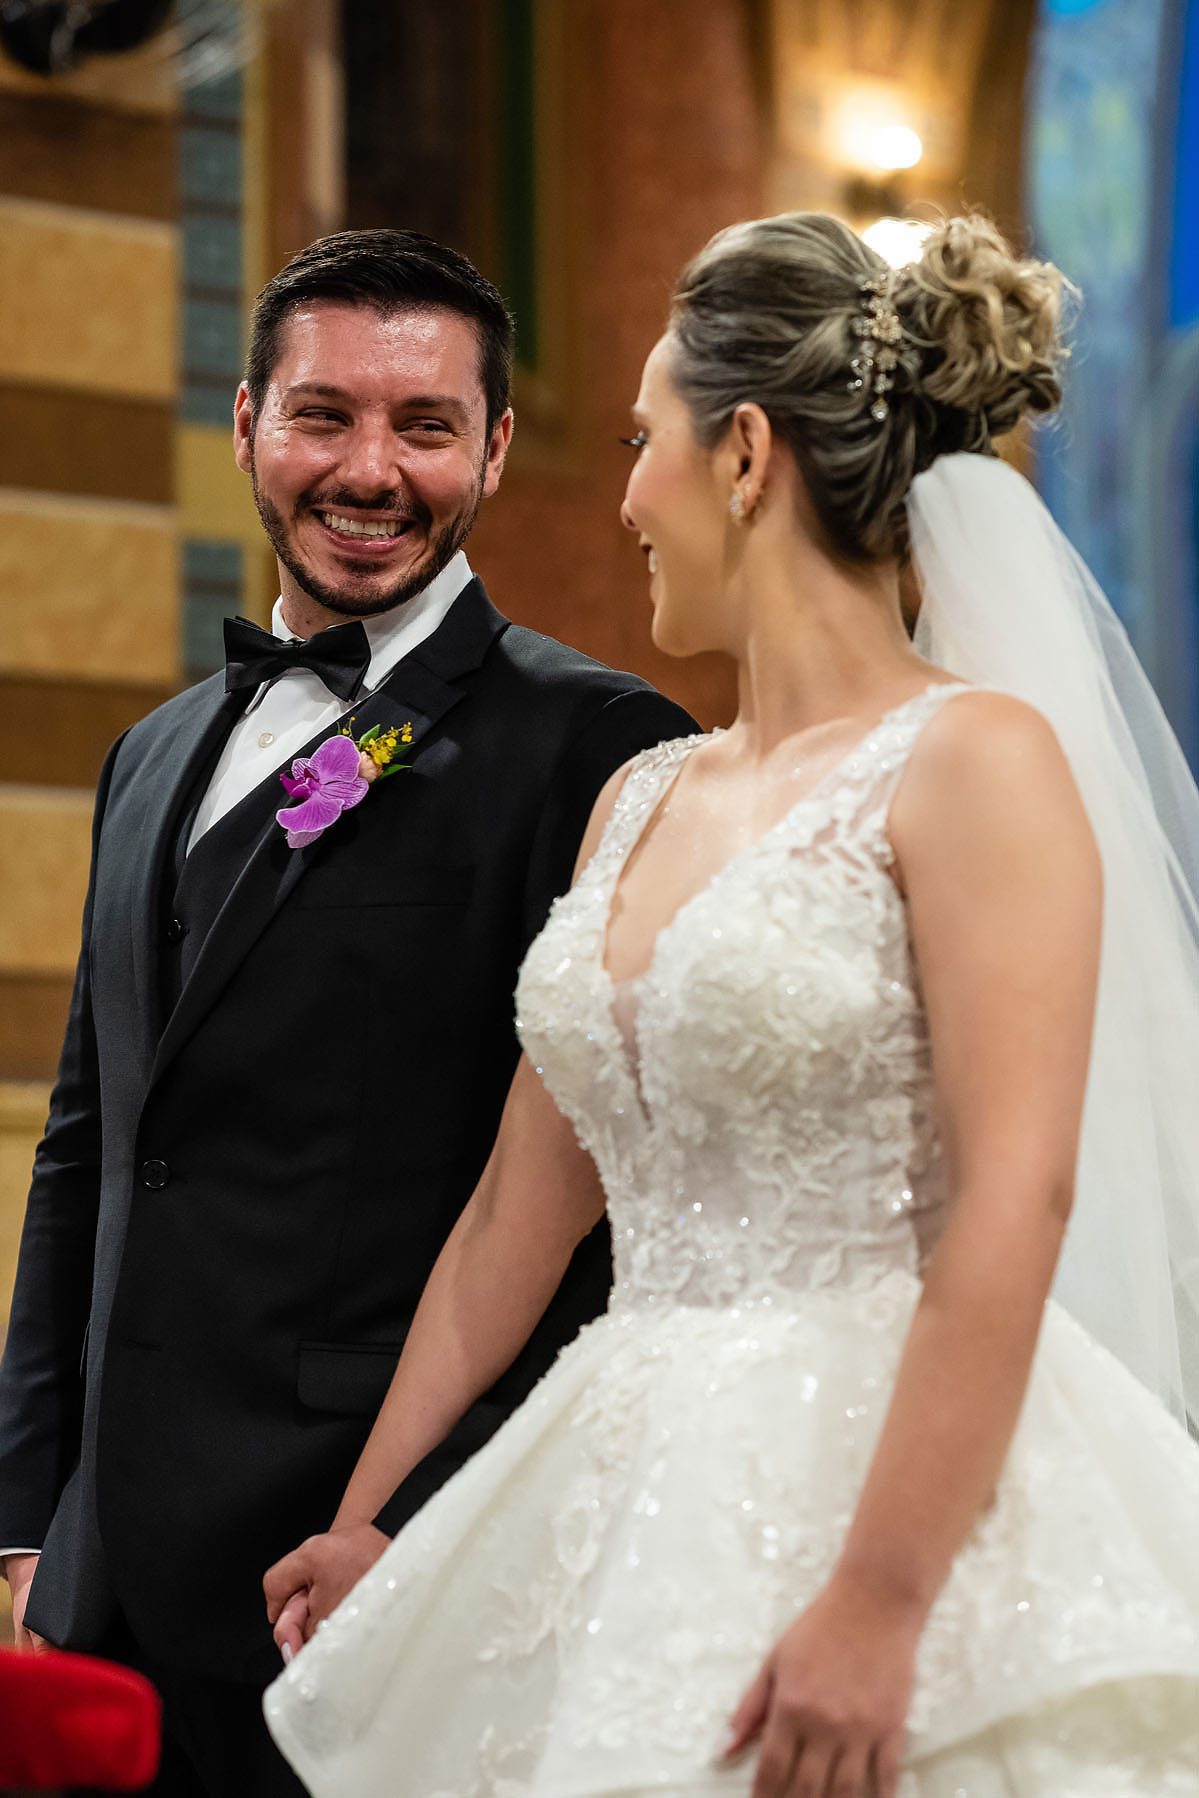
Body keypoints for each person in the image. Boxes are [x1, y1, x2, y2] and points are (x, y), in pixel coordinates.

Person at [263, 211, 1199, 1798]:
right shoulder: (639, 795)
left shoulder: (977, 762)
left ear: (748, 452)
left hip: (883, 1481)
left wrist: (883, 1596)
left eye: (646, 440)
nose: (623, 491)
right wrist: (377, 1521)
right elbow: (516, 1211)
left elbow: (1014, 1199)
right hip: (620, 1488)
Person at [0, 228, 694, 1797]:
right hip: (101, 1578)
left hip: (366, 1565)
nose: (369, 468)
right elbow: (92, 1142)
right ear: (246, 421)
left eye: (426, 424)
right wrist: (28, 1510)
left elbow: (608, 1220)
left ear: (497, 448)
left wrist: (430, 1521)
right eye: (325, 414)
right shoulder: (154, 752)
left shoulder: (602, 749)